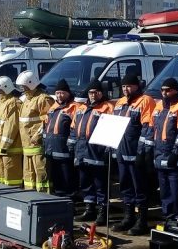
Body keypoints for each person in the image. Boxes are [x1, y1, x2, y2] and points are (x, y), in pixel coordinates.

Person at [112, 73, 156, 235]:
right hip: (122, 152)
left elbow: (148, 128)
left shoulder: (145, 101)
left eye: (129, 86)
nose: (125, 89)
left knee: (140, 188)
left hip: (136, 154)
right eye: (123, 86)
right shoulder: (120, 102)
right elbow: (113, 125)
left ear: (137, 86)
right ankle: (128, 217)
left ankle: (141, 220)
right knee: (125, 187)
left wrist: (141, 152)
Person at [71, 80, 114, 225]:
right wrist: (73, 146)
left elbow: (112, 130)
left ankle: (103, 211)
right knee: (85, 182)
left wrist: (107, 150)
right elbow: (74, 128)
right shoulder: (81, 108)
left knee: (100, 184)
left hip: (97, 153)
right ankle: (89, 209)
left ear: (101, 93)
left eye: (96, 92)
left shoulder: (107, 107)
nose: (93, 95)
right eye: (91, 92)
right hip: (82, 152)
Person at [148, 77, 178, 220]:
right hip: (159, 156)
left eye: (168, 90)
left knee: (177, 191)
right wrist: (148, 151)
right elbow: (152, 129)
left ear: (175, 91)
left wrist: (176, 152)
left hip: (173, 158)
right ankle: (168, 217)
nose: (164, 93)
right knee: (164, 192)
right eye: (162, 90)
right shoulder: (158, 107)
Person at [16, 71, 54, 192]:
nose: (22, 89)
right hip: (26, 144)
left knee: (41, 173)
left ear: (31, 83)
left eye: (24, 86)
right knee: (28, 174)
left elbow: (48, 120)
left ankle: (44, 196)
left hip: (37, 144)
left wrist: (38, 136)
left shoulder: (43, 99)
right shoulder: (26, 99)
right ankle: (29, 196)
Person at [43, 79, 79, 197]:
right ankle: (58, 197)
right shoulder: (53, 107)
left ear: (68, 93)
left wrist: (71, 145)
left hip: (65, 150)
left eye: (62, 93)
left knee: (67, 176)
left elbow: (75, 128)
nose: (59, 95)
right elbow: (46, 125)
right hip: (51, 149)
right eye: (57, 93)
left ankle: (69, 199)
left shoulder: (74, 107)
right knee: (56, 177)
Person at [0, 76, 23, 186]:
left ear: (6, 88)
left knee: (11, 175)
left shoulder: (13, 103)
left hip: (10, 148)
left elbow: (12, 126)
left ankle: (12, 193)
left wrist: (5, 145)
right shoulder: (0, 103)